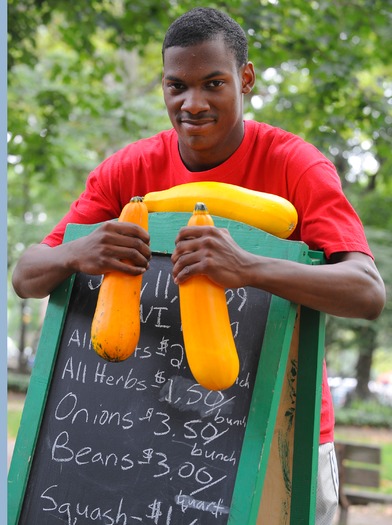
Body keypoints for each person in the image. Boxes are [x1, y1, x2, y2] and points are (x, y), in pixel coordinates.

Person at [12, 7, 385, 524]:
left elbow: (366, 292)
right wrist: (75, 253)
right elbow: (26, 275)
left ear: (246, 79)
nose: (193, 103)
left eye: (213, 83)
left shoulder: (295, 164)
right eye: (176, 86)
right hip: (134, 427)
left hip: (278, 433)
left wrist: (248, 267)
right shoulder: (130, 170)